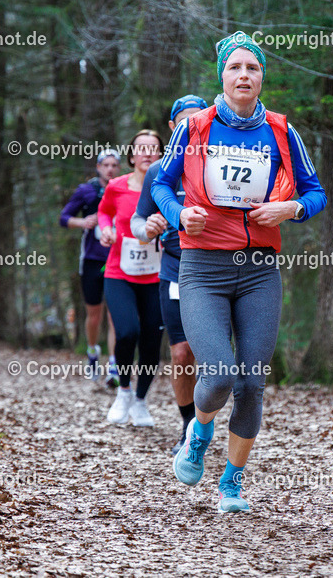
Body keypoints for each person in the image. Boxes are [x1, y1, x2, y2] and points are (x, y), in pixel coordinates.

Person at [153, 32, 327, 512]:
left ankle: (231, 480)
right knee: (221, 373)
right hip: (203, 268)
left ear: (261, 76)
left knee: (252, 381)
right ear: (222, 76)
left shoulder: (281, 132)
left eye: (252, 68)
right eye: (235, 68)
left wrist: (291, 209)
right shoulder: (193, 130)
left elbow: (316, 193)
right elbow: (163, 187)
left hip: (258, 271)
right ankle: (198, 433)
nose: (244, 75)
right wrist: (178, 215)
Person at [131, 94, 207, 454]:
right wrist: (148, 227)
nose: (193, 127)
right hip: (176, 268)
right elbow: (138, 220)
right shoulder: (159, 172)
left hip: (218, 270)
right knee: (181, 354)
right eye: (185, 122)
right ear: (173, 128)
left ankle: (210, 420)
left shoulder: (219, 164)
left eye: (199, 119)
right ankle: (189, 428)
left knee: (215, 356)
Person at [98, 130, 165, 426]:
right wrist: (105, 230)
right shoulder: (116, 186)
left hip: (157, 276)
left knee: (152, 340)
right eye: (141, 149)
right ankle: (123, 390)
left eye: (154, 149)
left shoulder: (167, 187)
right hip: (119, 273)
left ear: (162, 155)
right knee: (126, 332)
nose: (147, 154)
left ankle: (140, 402)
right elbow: (103, 213)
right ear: (131, 155)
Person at [60, 150, 121, 387]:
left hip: (118, 259)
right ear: (98, 167)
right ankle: (93, 352)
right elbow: (63, 218)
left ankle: (114, 366)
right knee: (94, 315)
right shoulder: (86, 191)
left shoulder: (123, 188)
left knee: (114, 315)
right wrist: (82, 222)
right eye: (106, 165)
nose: (110, 169)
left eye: (114, 165)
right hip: (92, 260)